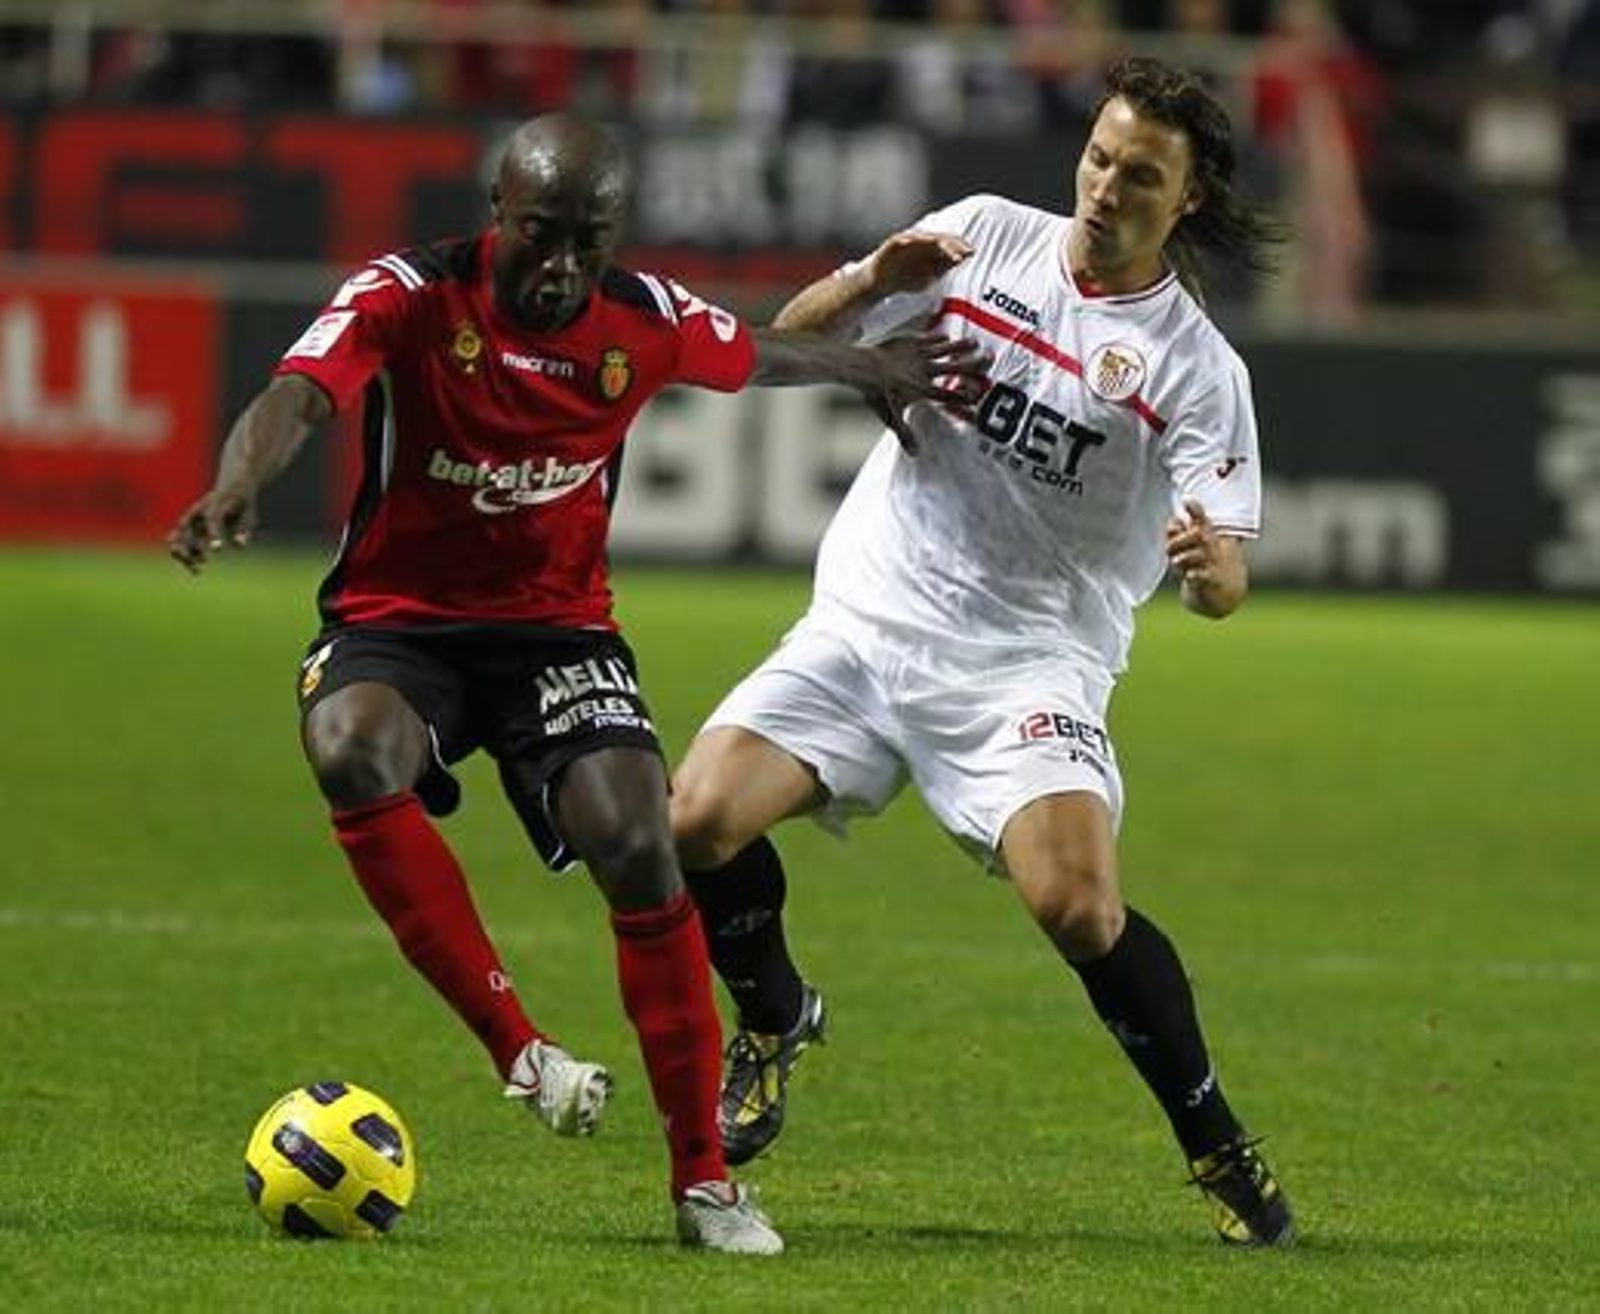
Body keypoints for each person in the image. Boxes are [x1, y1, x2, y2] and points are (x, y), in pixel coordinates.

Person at [167, 113, 983, 1256]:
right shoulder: (410, 294)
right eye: (539, 234)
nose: (559, 266)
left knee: (640, 842)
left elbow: (755, 353)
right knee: (350, 746)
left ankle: (704, 1185)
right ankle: (522, 1053)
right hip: (399, 626)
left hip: (556, 637)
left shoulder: (640, 320)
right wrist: (235, 483)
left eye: (585, 243)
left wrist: (875, 365)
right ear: (497, 212)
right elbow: (297, 393)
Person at [671, 55, 1297, 1247]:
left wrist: (1210, 568)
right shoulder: (982, 239)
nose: (1105, 188)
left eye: (1140, 175)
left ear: (1188, 200)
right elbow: (782, 347)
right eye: (1099, 158)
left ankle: (1214, 1138)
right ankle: (772, 1016)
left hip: (1027, 661)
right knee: (695, 818)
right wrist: (870, 280)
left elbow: (1224, 584)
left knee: (1078, 908)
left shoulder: (1197, 368)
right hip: (869, 619)